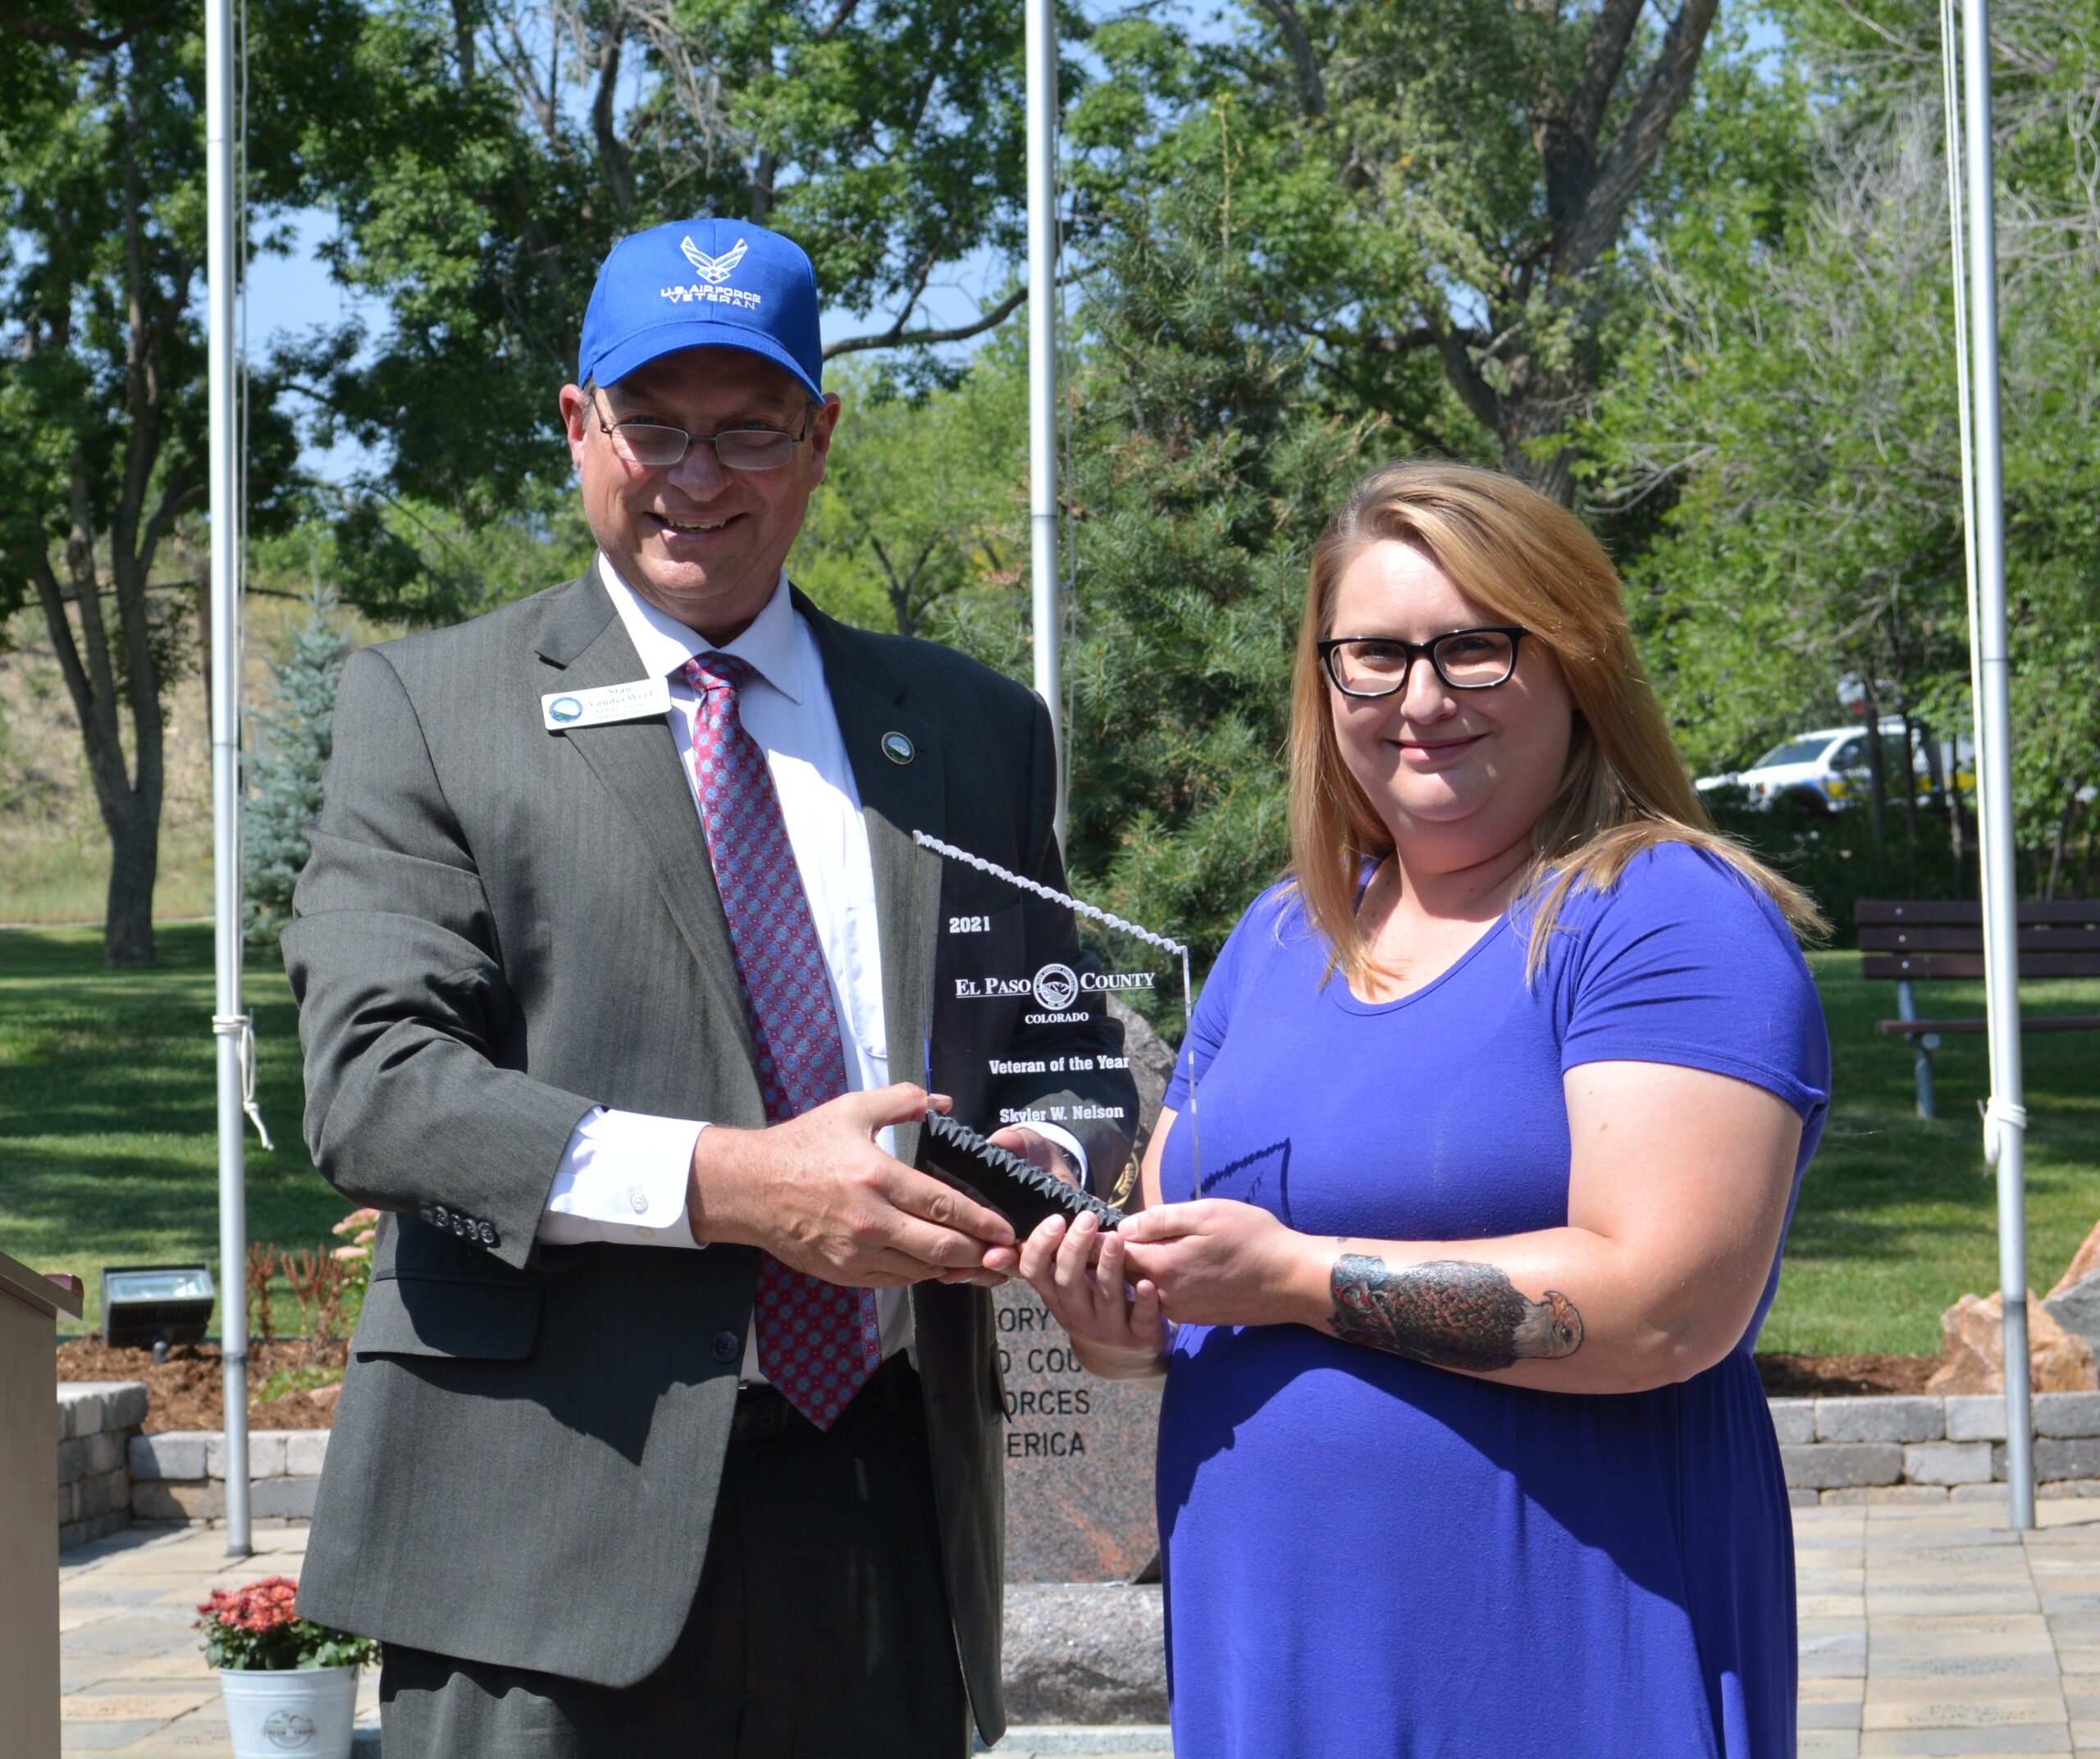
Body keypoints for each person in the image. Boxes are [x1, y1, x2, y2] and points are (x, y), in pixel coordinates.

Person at [283, 216, 1135, 1758]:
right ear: (577, 426)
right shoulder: (430, 707)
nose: (698, 474)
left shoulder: (971, 732)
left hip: (884, 1512)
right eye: (653, 424)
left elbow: (1062, 1048)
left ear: (821, 438)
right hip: (540, 1535)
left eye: (749, 428)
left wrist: (1043, 1165)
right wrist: (737, 1187)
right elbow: (378, 1087)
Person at [1023, 461, 1831, 1758]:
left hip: (1559, 1655)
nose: (1421, 698)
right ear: (1324, 680)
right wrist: (1119, 1323)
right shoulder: (1279, 936)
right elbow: (1192, 1271)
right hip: (1274, 1649)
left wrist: (1296, 1279)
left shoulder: (1662, 915)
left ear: (1575, 659)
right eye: (1377, 655)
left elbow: (1667, 1304)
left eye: (1474, 648)